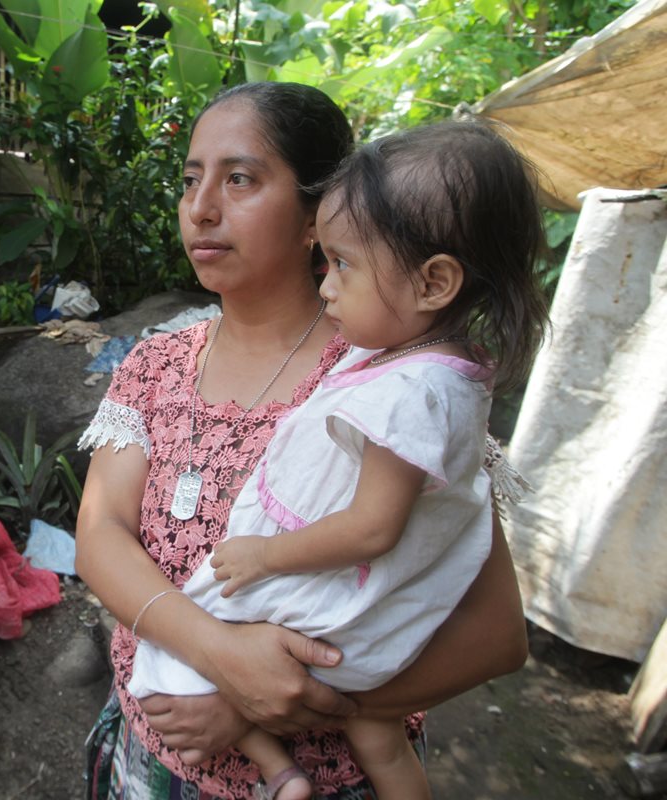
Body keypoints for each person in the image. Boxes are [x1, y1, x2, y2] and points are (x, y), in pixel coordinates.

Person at [75, 82, 530, 800]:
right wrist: (221, 656)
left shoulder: (395, 383)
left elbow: (497, 634)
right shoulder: (155, 363)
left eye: (240, 179)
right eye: (190, 180)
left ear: (317, 212)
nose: (201, 208)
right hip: (150, 759)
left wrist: (286, 701)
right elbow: (101, 531)